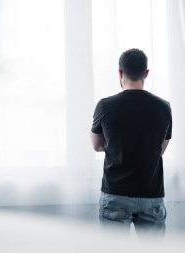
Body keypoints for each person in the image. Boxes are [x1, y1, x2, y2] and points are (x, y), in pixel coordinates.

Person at [90, 48, 172, 236]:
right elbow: (160, 149)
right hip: (152, 194)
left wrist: (115, 146)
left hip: (115, 193)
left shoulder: (104, 106)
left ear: (120, 72)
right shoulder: (164, 107)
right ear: (146, 73)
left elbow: (96, 145)